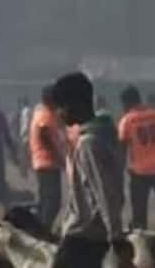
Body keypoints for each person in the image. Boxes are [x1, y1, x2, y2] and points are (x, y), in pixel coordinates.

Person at [55, 71, 124, 264]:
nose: (58, 113)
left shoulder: (88, 143)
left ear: (73, 104)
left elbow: (104, 191)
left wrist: (116, 236)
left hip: (82, 236)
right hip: (95, 236)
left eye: (60, 107)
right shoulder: (106, 134)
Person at [117, 86, 155, 235]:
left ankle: (143, 248)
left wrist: (119, 173)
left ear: (127, 103)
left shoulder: (127, 121)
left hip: (140, 172)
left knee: (140, 215)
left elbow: (122, 149)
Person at [28, 83, 66, 230]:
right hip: (47, 162)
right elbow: (45, 135)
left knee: (46, 202)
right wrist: (59, 156)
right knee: (52, 202)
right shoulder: (44, 115)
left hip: (46, 162)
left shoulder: (47, 113)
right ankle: (43, 229)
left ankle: (40, 228)